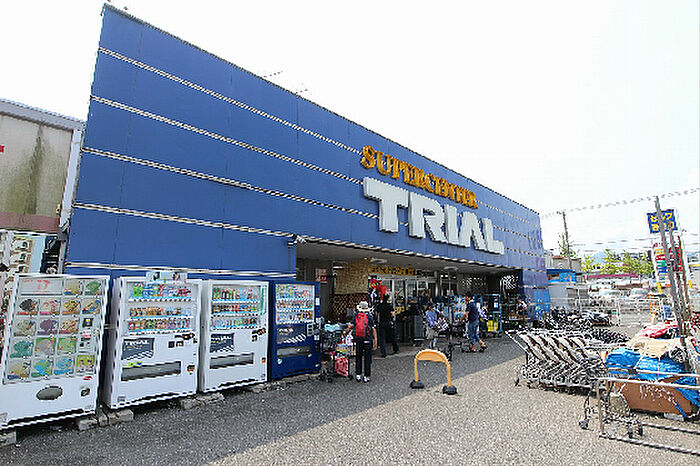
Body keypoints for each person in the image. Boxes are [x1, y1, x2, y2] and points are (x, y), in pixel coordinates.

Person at [344, 301, 376, 383]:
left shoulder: (356, 315)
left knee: (358, 356)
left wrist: (345, 333)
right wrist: (375, 340)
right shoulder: (370, 316)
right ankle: (366, 376)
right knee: (367, 358)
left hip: (358, 339)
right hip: (368, 339)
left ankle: (358, 374)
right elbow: (373, 328)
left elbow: (351, 326)